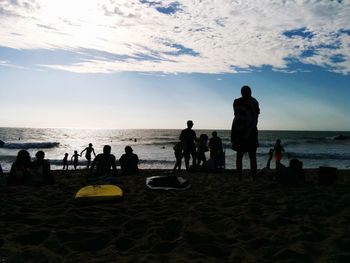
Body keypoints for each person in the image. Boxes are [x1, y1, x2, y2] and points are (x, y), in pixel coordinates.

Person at [231, 85, 260, 181]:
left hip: (239, 131)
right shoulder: (254, 102)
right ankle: (253, 177)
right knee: (252, 156)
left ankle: (240, 177)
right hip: (250, 131)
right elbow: (255, 118)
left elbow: (236, 116)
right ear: (250, 92)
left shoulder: (236, 102)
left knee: (240, 156)